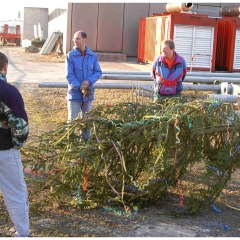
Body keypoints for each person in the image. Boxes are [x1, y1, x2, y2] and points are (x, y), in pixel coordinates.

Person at [0, 52, 30, 237]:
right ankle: (22, 234)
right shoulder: (8, 91)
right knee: (15, 196)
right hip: (5, 151)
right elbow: (21, 127)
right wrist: (15, 145)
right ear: (4, 67)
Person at [65, 30, 102, 139]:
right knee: (72, 121)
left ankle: (84, 147)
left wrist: (89, 81)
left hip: (87, 95)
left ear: (84, 40)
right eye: (74, 39)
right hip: (75, 94)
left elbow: (98, 72)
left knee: (87, 121)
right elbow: (69, 75)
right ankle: (70, 145)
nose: (74, 41)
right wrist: (80, 86)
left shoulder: (92, 56)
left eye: (77, 38)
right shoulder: (70, 56)